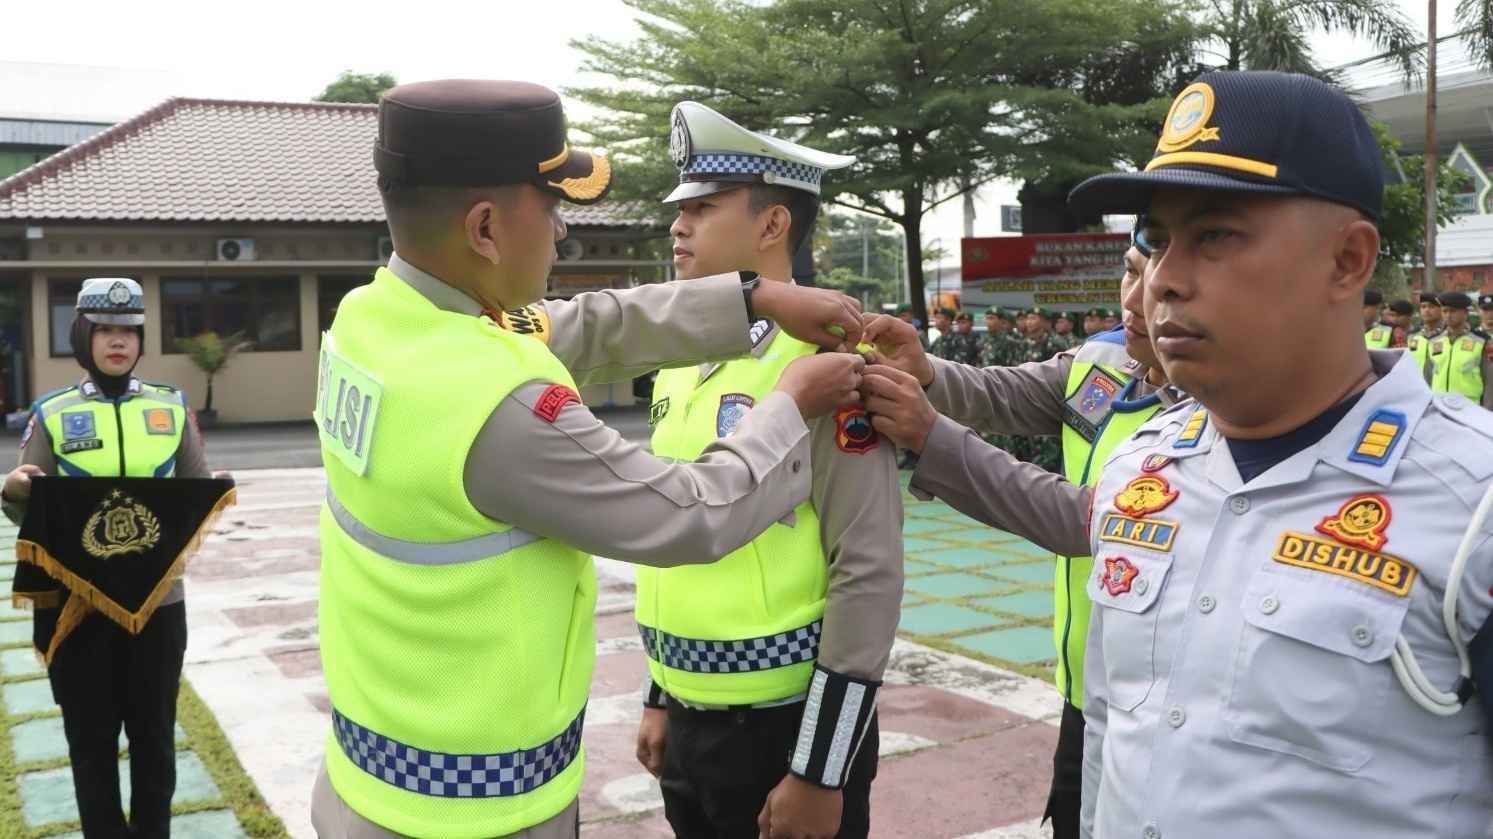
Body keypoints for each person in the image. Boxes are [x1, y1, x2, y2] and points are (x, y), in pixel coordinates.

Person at [309, 80, 871, 839]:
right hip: (475, 807)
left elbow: (585, 324)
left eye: (701, 208)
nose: (564, 230)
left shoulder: (371, 321)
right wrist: (793, 402)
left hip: (369, 770)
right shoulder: (501, 399)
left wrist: (751, 300)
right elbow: (688, 515)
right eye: (550, 206)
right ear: (485, 228)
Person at [1066, 69, 1493, 838]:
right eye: (1155, 242)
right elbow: (1108, 730)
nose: (1161, 281)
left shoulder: (1473, 503)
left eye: (1215, 235)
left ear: (1346, 262)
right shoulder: (1142, 473)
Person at [635, 100, 903, 839]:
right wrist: (661, 692)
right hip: (690, 718)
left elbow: (868, 568)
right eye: (678, 209)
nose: (678, 225)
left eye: (702, 207)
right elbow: (681, 538)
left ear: (772, 224)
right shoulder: (680, 359)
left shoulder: (825, 366)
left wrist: (819, 768)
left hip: (783, 731)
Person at [859, 231, 1182, 839]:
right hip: (1087, 685)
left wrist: (931, 437)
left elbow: (1092, 522)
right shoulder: (1107, 363)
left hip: (1159, 703)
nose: (1136, 299)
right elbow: (1001, 393)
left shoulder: (1216, 402)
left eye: (1159, 281)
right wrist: (923, 369)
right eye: (1131, 272)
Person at [3, 277, 210, 839]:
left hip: (158, 608)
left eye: (129, 330)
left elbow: (196, 492)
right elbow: (28, 510)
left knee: (154, 739)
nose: (118, 341)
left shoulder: (170, 409)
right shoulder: (51, 414)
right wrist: (14, 490)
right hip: (79, 607)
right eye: (105, 330)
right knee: (90, 742)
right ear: (83, 336)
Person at [1427, 291, 1493, 407]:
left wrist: (1487, 413)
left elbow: (1490, 381)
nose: (1448, 315)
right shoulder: (1434, 341)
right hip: (1439, 407)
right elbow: (1427, 376)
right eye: (1445, 311)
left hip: (1469, 408)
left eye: (1453, 311)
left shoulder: (1481, 341)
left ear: (1465, 313)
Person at [1408, 291, 1445, 375]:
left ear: (1442, 310)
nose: (1426, 310)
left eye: (1431, 307)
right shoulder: (1412, 336)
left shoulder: (1446, 335)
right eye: (1423, 307)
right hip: (1415, 385)